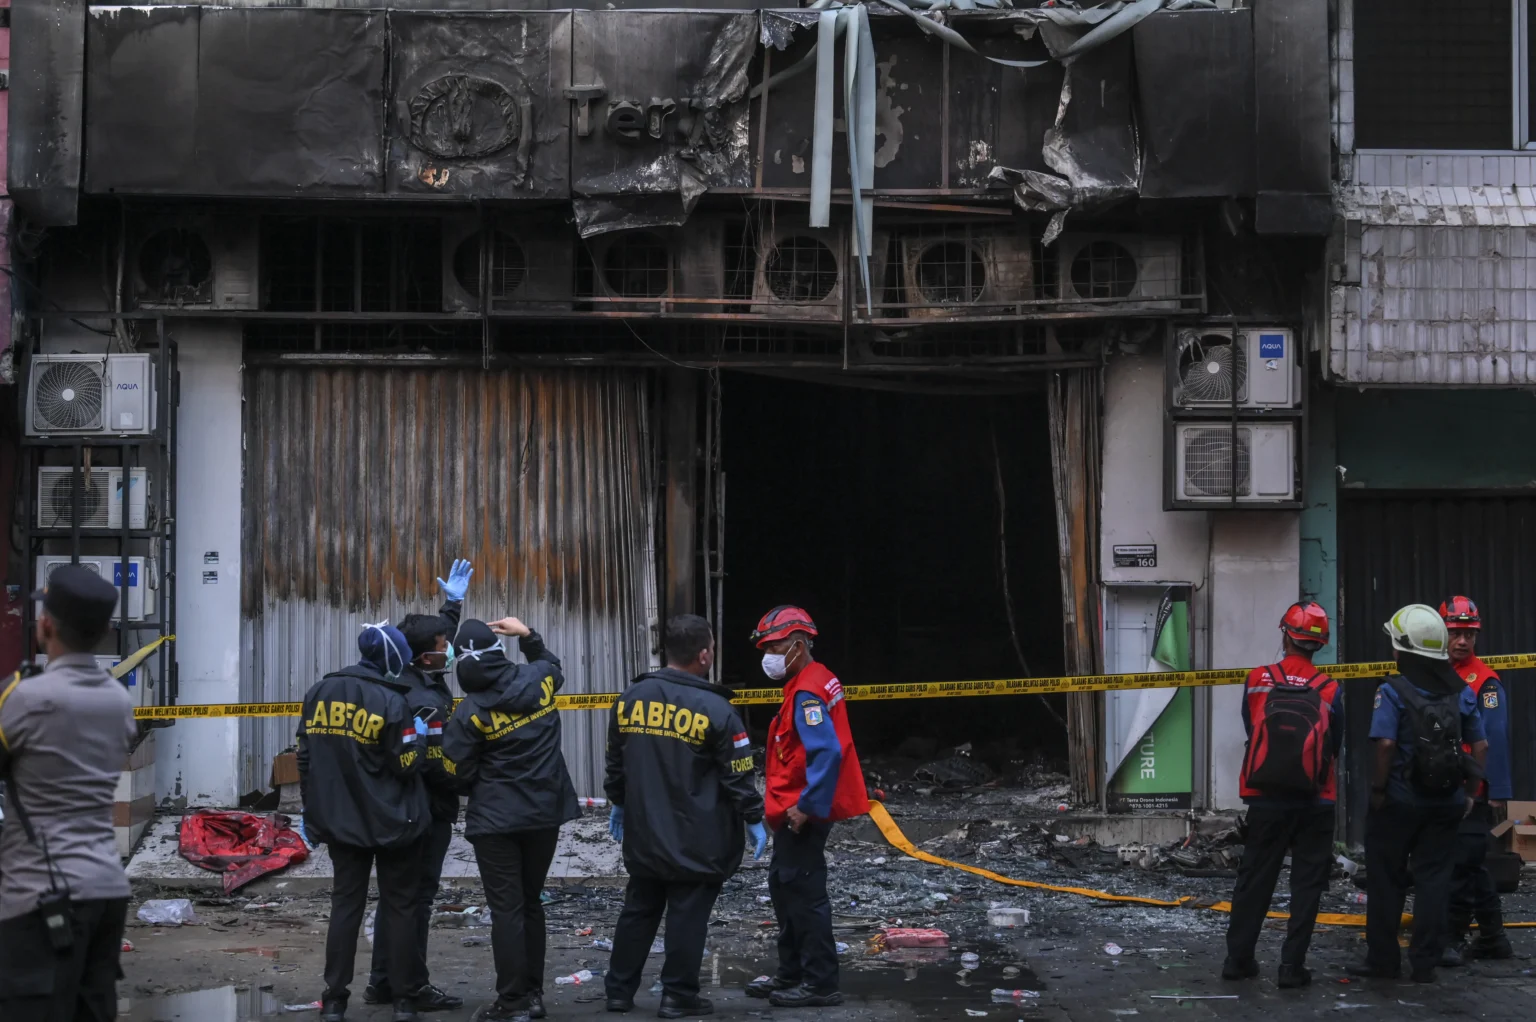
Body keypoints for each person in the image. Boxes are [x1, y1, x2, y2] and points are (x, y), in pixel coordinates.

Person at [603, 615, 768, 1018]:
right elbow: (737, 774)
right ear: (704, 654)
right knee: (687, 916)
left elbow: (615, 761)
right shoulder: (717, 709)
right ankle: (678, 996)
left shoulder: (631, 697)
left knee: (639, 909)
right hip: (698, 837)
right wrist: (753, 817)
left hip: (645, 833)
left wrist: (619, 801)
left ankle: (618, 992)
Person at [0, 565, 138, 1022]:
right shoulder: (120, 702)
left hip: (41, 897)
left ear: (45, 624)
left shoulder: (22, 698)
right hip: (107, 892)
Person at [441, 617, 578, 1022]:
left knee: (507, 909)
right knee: (531, 902)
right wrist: (529, 636)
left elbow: (457, 773)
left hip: (496, 823)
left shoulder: (470, 712)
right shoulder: (539, 681)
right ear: (499, 653)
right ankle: (533, 996)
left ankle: (513, 1001)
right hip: (544, 816)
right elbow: (553, 665)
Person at [1348, 604, 1488, 984]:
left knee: (1386, 880)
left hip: (1397, 801)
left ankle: (1383, 961)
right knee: (1434, 881)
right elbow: (1481, 745)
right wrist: (1472, 792)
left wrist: (1377, 791)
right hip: (1446, 803)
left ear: (1403, 650)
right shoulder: (1462, 692)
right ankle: (1424, 963)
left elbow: (1385, 744)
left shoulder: (1392, 691)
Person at [299, 622, 431, 1022]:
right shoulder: (392, 700)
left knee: (345, 907)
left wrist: (312, 810)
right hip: (393, 822)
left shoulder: (319, 692)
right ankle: (405, 1000)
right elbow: (406, 764)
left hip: (340, 822)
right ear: (391, 657)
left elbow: (305, 757)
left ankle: (335, 999)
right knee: (401, 907)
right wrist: (420, 738)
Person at [363, 559, 474, 1012]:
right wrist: (468, 782)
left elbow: (432, 635)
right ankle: (413, 986)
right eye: (444, 645)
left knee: (397, 899)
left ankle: (382, 981)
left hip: (401, 808)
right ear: (424, 655)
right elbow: (433, 762)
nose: (450, 649)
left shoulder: (407, 672)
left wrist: (453, 604)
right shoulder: (424, 700)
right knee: (417, 901)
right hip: (424, 811)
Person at [746, 606, 868, 1009]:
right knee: (784, 889)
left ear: (798, 646)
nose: (770, 654)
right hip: (793, 810)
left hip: (801, 813)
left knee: (803, 895)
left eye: (776, 645)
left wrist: (807, 806)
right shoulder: (815, 679)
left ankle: (819, 983)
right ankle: (792, 973)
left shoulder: (807, 691)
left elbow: (826, 751)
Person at [1223, 602, 1341, 989]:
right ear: (1319, 644)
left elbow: (1250, 725)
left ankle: (1238, 960)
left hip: (1265, 795)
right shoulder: (1330, 688)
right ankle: (1292, 967)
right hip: (1316, 798)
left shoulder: (1258, 679)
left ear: (1285, 634)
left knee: (1255, 877)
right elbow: (1335, 744)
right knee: (1307, 884)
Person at [1438, 595, 1513, 966]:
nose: (1462, 641)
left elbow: (1494, 737)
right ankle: (1494, 938)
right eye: (1455, 632)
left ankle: (1452, 938)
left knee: (1460, 867)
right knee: (1472, 864)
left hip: (1472, 790)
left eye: (1468, 633)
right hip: (1446, 785)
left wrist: (1495, 791)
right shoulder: (1439, 674)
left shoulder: (1485, 682)